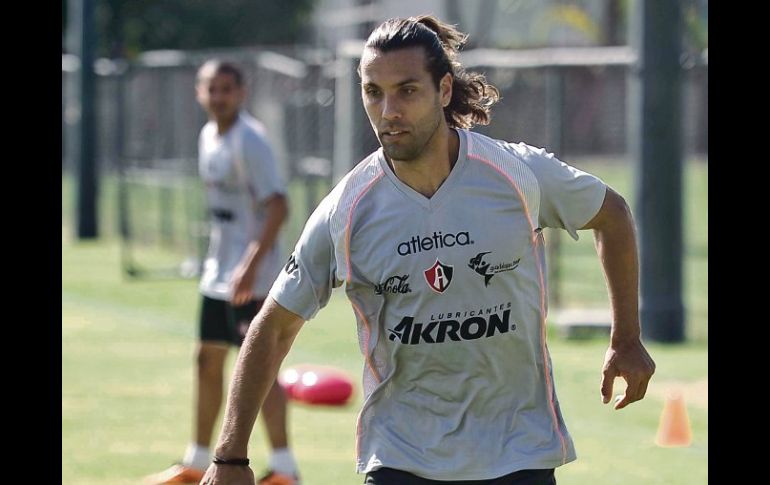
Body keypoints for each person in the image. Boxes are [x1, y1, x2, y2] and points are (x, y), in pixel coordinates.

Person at [201, 15, 656, 485]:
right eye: (373, 92)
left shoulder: (516, 175)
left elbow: (613, 214)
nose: (388, 110)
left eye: (407, 90)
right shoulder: (347, 209)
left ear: (443, 90)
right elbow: (273, 328)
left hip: (518, 453)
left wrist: (626, 337)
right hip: (401, 459)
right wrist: (229, 457)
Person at [145, 60, 300, 485]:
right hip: (219, 273)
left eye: (226, 89)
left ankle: (286, 469)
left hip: (251, 275)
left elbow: (279, 205)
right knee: (206, 357)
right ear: (199, 93)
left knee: (259, 368)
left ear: (241, 93)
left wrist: (250, 267)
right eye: (211, 89)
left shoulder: (250, 139)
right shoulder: (209, 135)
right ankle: (195, 462)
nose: (218, 97)